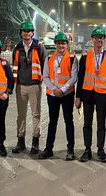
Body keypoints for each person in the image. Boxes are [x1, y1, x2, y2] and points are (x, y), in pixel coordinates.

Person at [75, 26, 106, 163]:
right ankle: (87, 150)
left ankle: (100, 150)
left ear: (104, 40)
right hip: (87, 93)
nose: (99, 40)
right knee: (87, 123)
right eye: (97, 37)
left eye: (101, 38)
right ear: (92, 39)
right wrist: (78, 97)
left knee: (101, 123)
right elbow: (80, 78)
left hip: (102, 94)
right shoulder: (85, 57)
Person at [38, 32, 78, 161]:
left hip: (67, 94)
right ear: (55, 44)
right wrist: (55, 89)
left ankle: (70, 149)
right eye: (59, 43)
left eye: (63, 43)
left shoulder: (72, 58)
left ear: (67, 45)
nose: (61, 45)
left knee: (68, 121)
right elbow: (45, 76)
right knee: (52, 121)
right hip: (53, 94)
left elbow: (74, 77)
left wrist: (63, 89)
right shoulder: (49, 59)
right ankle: (48, 148)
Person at [11, 21, 47, 154]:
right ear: (21, 33)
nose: (27, 33)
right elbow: (14, 67)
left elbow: (45, 66)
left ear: (32, 33)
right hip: (20, 86)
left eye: (29, 31)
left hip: (34, 86)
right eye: (24, 31)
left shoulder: (39, 47)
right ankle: (21, 141)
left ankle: (35, 142)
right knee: (21, 115)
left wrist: (43, 82)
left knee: (35, 114)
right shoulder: (17, 48)